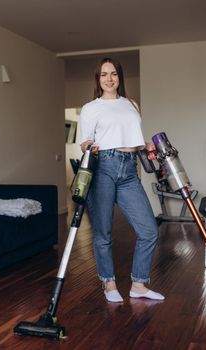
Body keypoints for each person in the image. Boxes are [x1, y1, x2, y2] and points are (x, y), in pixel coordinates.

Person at [79, 57, 164, 303]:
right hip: (103, 165)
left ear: (119, 77)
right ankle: (108, 282)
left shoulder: (131, 104)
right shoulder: (90, 108)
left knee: (149, 230)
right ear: (98, 79)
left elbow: (134, 136)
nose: (109, 78)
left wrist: (147, 145)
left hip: (129, 169)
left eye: (113, 74)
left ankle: (139, 284)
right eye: (104, 74)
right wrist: (88, 145)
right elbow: (85, 140)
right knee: (103, 232)